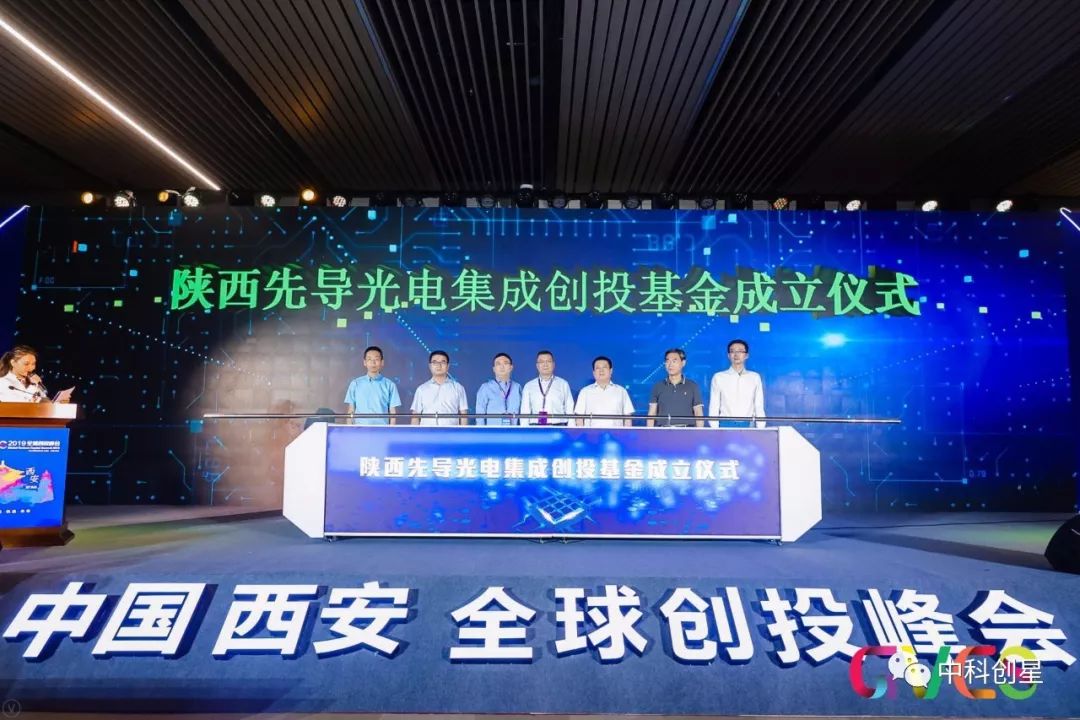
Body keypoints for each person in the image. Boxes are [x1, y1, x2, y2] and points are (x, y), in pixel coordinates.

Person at [708, 339, 765, 427]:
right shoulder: (719, 377)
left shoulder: (755, 377)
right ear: (728, 355)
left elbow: (759, 405)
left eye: (740, 351)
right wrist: (714, 428)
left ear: (746, 355)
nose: (736, 354)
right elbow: (714, 405)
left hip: (748, 425)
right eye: (732, 351)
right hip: (725, 425)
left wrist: (761, 427)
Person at [343, 345, 401, 425]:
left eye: (376, 359)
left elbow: (393, 413)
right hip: (360, 428)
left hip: (382, 429)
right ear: (364, 362)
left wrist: (390, 430)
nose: (373, 363)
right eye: (369, 359)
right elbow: (351, 410)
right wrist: (349, 429)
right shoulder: (355, 384)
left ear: (382, 362)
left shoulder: (390, 385)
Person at [647, 348, 704, 427]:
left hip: (686, 431)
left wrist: (699, 433)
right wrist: (649, 432)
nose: (670, 365)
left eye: (674, 361)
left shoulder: (692, 386)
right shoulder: (658, 386)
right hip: (663, 431)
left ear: (683, 363)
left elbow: (698, 413)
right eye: (667, 361)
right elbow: (652, 413)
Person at [411, 350, 468, 426]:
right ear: (430, 366)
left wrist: (463, 432)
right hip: (427, 432)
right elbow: (415, 416)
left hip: (451, 432)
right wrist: (414, 433)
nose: (438, 365)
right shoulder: (421, 389)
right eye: (434, 362)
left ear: (448, 366)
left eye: (443, 362)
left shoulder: (458, 388)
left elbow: (464, 415)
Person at [574, 356, 634, 428]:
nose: (601, 371)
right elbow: (579, 417)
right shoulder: (585, 392)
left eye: (604, 367)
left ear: (611, 371)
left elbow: (628, 417)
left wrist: (626, 433)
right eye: (597, 368)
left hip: (616, 433)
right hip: (592, 433)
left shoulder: (621, 391)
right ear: (593, 373)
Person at [519, 350, 575, 425]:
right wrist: (525, 429)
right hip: (535, 427)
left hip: (558, 426)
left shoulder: (563, 384)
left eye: (548, 361)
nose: (545, 364)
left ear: (553, 364)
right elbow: (525, 410)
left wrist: (571, 428)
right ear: (537, 366)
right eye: (541, 362)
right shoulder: (529, 386)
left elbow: (569, 407)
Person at [475, 352, 522, 425]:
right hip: (493, 431)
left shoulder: (517, 387)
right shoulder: (485, 388)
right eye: (498, 364)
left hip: (514, 430)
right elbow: (479, 415)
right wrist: (482, 431)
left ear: (511, 367)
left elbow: (522, 411)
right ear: (494, 369)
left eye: (505, 363)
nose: (502, 366)